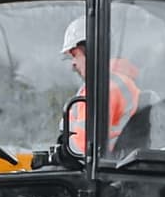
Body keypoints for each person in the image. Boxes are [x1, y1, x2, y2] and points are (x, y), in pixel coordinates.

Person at [60, 15, 141, 155]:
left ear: (91, 51)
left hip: (103, 170)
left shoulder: (105, 88)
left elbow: (82, 149)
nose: (73, 64)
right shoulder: (114, 82)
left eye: (74, 55)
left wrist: (60, 156)